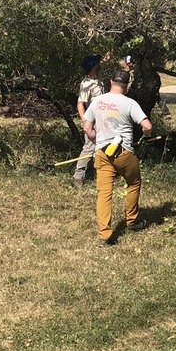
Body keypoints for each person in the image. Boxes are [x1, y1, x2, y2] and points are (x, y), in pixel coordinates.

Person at [83, 70, 153, 246]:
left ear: (111, 81)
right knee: (134, 183)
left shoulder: (97, 101)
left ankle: (104, 235)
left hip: (102, 153)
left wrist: (96, 139)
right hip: (123, 152)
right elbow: (147, 126)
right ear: (126, 86)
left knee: (104, 193)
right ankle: (132, 221)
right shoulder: (130, 103)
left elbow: (87, 127)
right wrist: (145, 134)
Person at [71, 55, 104, 188]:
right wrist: (85, 121)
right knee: (89, 147)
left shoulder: (98, 78)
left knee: (102, 146)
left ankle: (96, 173)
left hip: (102, 119)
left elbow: (104, 63)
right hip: (92, 120)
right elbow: (80, 104)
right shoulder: (86, 84)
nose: (99, 64)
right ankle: (77, 177)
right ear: (92, 67)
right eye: (96, 63)